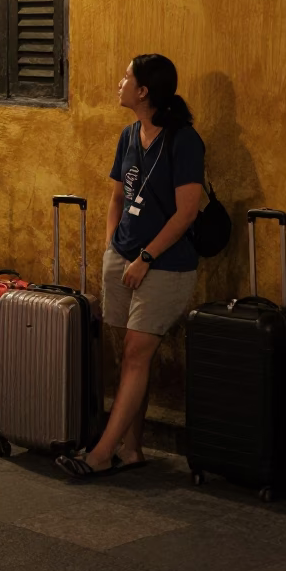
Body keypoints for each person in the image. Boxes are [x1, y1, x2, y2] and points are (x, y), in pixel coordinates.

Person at [56, 53, 204, 478]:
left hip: (165, 266)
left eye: (126, 78)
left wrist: (146, 257)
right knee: (131, 357)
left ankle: (102, 454)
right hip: (123, 258)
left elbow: (186, 213)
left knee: (137, 354)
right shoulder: (128, 135)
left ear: (144, 91)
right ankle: (133, 448)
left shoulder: (184, 141)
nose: (119, 84)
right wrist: (111, 248)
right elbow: (118, 197)